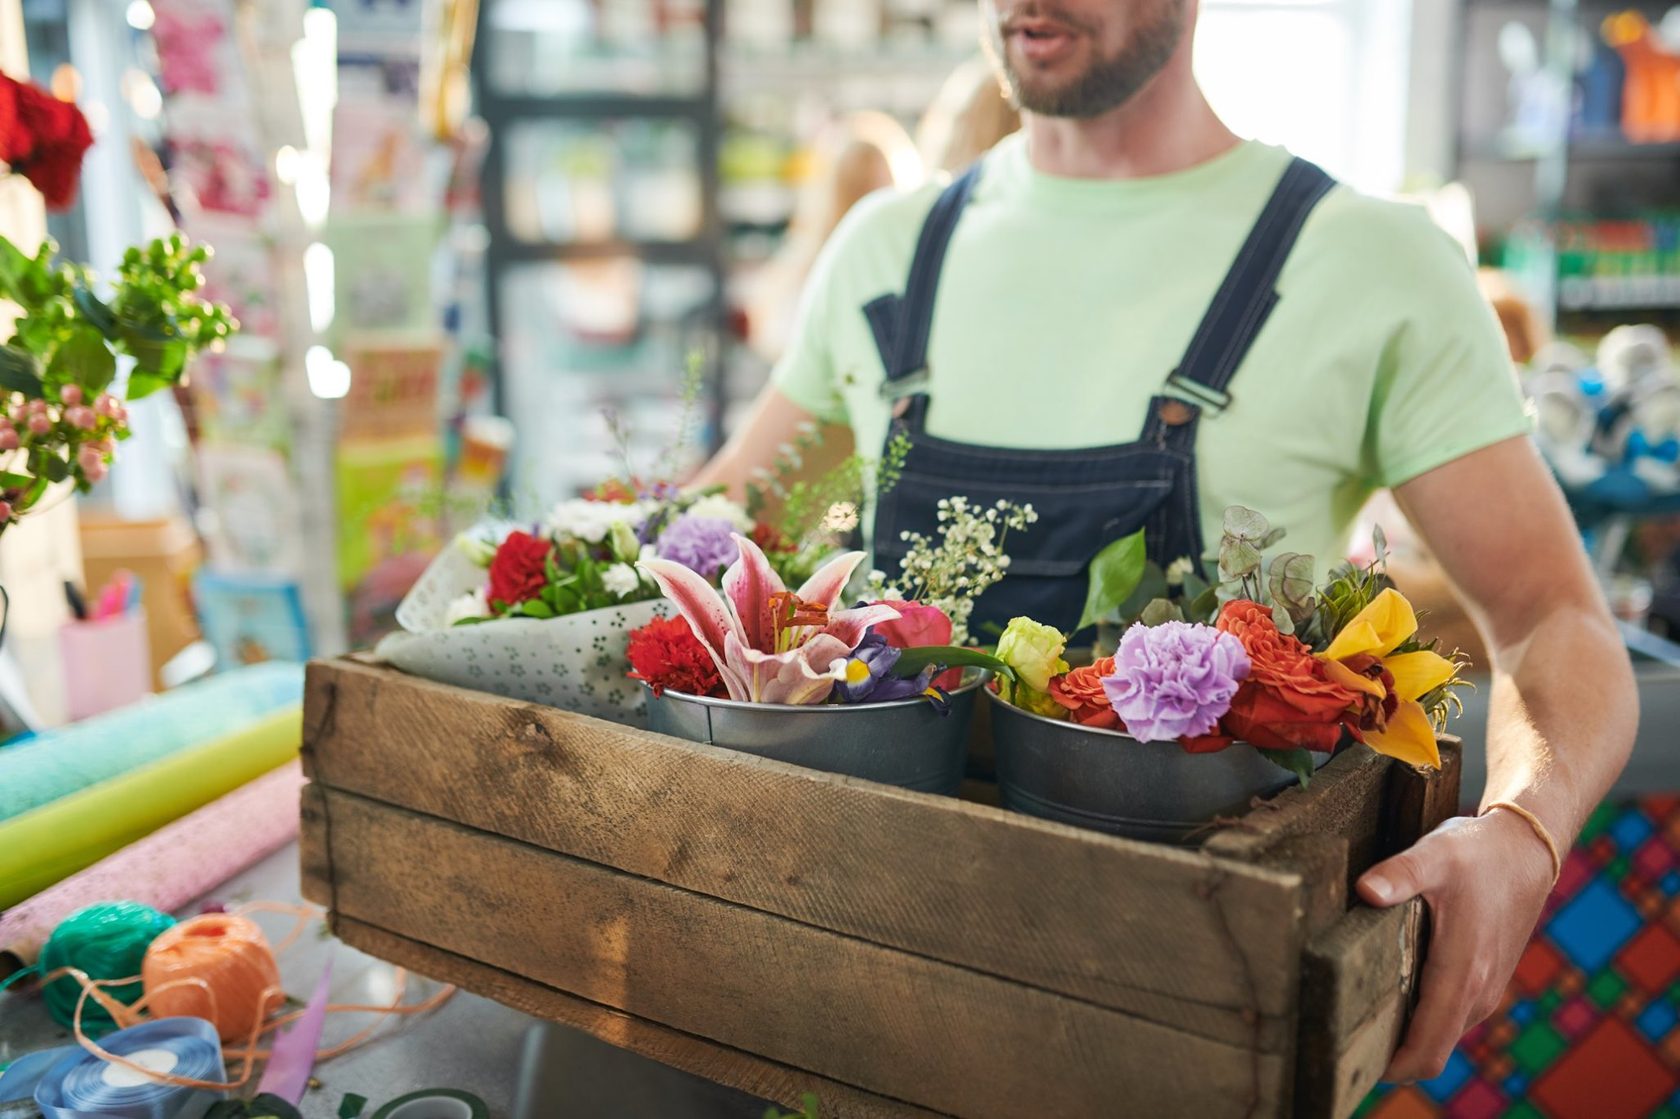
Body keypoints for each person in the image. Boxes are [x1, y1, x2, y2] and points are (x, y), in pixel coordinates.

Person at [693, 0, 1636, 1082]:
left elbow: (1553, 615)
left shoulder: (1373, 263)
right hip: (854, 990)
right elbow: (712, 533)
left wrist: (1523, 832)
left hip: (1194, 1029)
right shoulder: (887, 252)